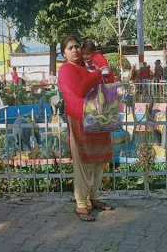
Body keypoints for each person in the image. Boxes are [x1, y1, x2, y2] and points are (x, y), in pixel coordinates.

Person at [58, 35, 114, 222]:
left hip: (98, 114)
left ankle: (94, 197)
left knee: (99, 160)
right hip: (79, 117)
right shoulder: (66, 69)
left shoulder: (87, 66)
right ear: (64, 53)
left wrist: (102, 66)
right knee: (83, 161)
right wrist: (98, 73)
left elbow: (109, 81)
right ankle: (81, 203)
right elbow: (80, 89)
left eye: (77, 47)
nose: (75, 50)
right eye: (70, 48)